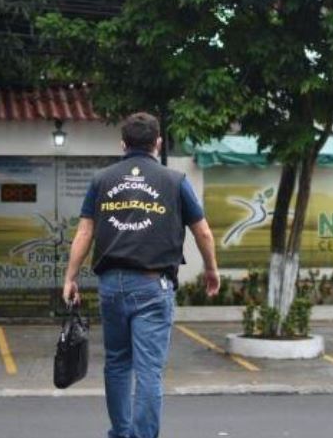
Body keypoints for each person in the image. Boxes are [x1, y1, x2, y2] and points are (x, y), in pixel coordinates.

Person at [62, 112, 219, 438]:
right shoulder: (175, 181)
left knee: (118, 363)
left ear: (123, 144)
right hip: (151, 285)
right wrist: (211, 269)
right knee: (149, 370)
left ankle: (121, 433)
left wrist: (70, 277)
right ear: (157, 142)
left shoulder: (102, 180)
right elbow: (202, 232)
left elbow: (84, 231)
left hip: (110, 285)